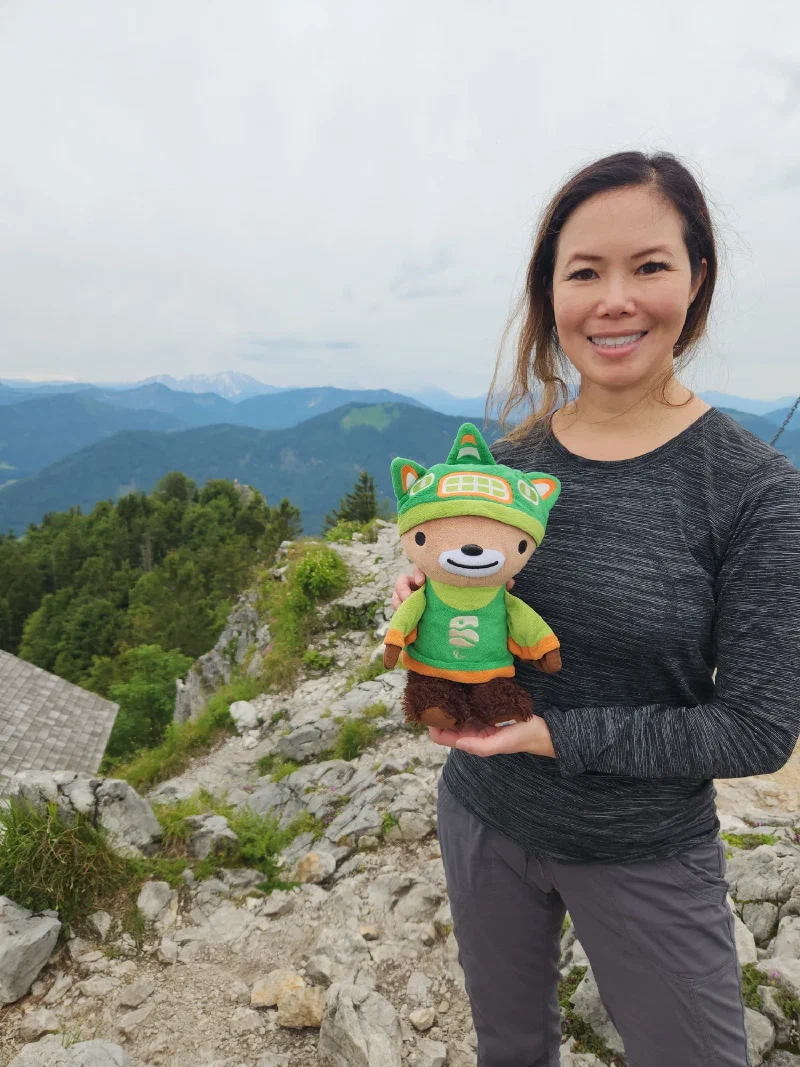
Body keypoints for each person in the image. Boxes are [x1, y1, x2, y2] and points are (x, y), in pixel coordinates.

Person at [391, 150, 800, 1067]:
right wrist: (420, 589)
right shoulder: (504, 466)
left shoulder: (754, 491)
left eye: (649, 266)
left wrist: (557, 736)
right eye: (584, 272)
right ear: (551, 294)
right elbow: (457, 575)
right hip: (484, 817)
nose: (615, 300)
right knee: (510, 1048)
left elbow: (759, 729)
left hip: (645, 849)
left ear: (696, 280)